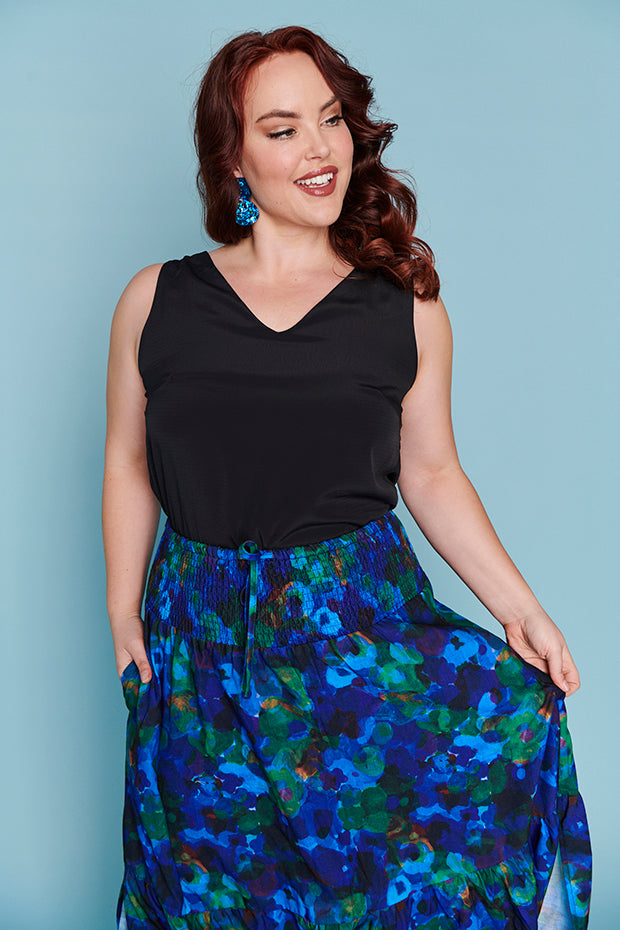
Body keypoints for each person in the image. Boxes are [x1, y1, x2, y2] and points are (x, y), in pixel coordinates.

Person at [102, 25, 592, 930]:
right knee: (211, 883)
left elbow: (432, 471)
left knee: (381, 881)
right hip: (198, 639)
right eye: (283, 128)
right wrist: (122, 606)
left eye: (330, 119)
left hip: (355, 631)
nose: (320, 148)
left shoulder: (405, 307)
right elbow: (129, 461)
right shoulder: (154, 299)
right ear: (233, 159)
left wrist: (522, 612)